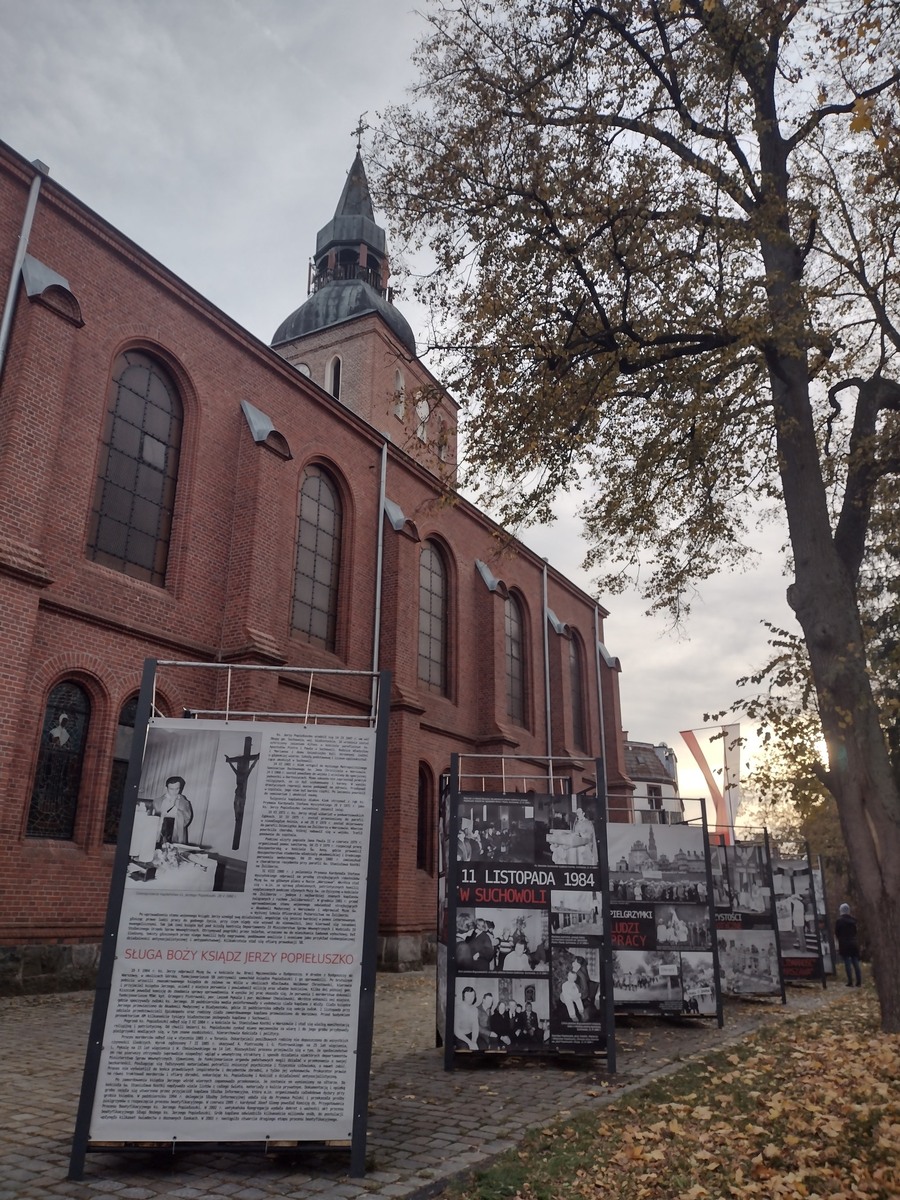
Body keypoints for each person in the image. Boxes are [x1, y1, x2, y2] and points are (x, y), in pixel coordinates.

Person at [154, 775, 193, 845]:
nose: (174, 792)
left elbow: (187, 819)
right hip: (158, 834)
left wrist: (177, 812)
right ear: (166, 788)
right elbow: (152, 820)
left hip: (177, 835)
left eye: (177, 789)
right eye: (171, 789)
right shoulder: (157, 802)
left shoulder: (184, 803)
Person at [835, 902, 862, 987]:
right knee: (855, 962)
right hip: (853, 942)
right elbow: (855, 932)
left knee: (847, 962)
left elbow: (837, 933)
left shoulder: (839, 921)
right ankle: (859, 981)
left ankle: (850, 981)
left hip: (844, 943)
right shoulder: (854, 921)